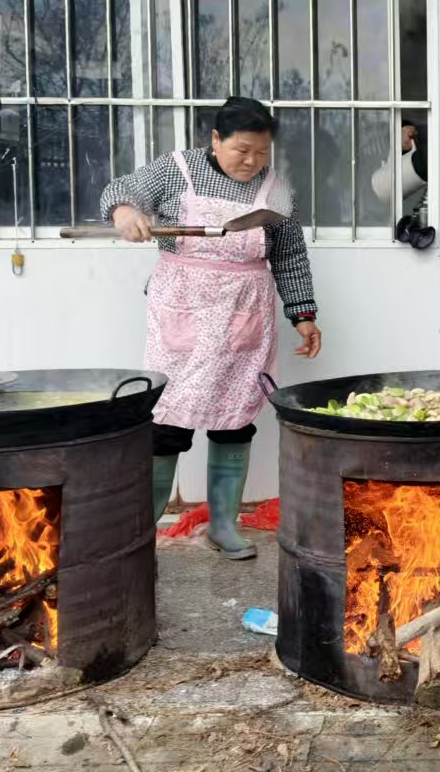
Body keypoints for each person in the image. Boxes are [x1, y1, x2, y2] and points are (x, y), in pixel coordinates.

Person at [99, 97, 323, 558]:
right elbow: (121, 189)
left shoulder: (277, 191)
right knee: (168, 421)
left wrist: (303, 314)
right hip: (181, 316)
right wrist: (124, 212)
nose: (252, 161)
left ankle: (223, 526)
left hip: (244, 318)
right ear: (216, 140)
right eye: (242, 150)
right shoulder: (176, 169)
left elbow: (290, 256)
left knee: (235, 422)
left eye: (261, 152)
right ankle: (142, 532)